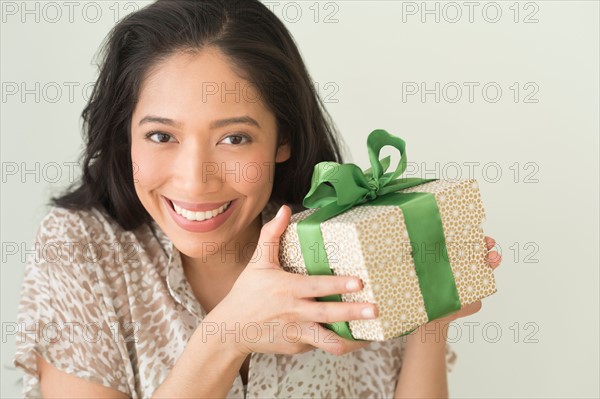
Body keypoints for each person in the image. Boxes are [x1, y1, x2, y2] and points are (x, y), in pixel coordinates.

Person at [12, 0, 502, 398]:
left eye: (234, 139)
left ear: (281, 139)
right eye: (162, 136)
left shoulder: (346, 244)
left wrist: (429, 316)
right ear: (125, 139)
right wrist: (227, 334)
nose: (196, 180)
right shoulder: (80, 248)